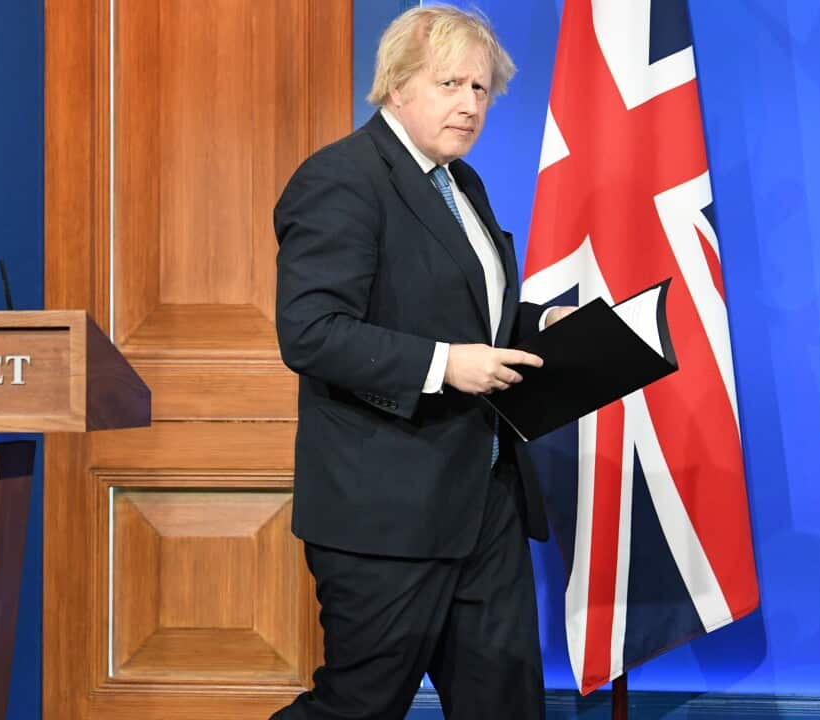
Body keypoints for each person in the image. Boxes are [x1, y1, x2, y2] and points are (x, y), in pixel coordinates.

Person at [272, 5, 572, 719]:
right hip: (387, 514)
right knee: (358, 708)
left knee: (506, 706)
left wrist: (541, 325)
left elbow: (458, 314)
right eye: (450, 85)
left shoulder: (461, 183)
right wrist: (443, 364)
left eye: (480, 89)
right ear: (396, 86)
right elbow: (310, 332)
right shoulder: (342, 179)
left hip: (486, 503)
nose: (470, 105)